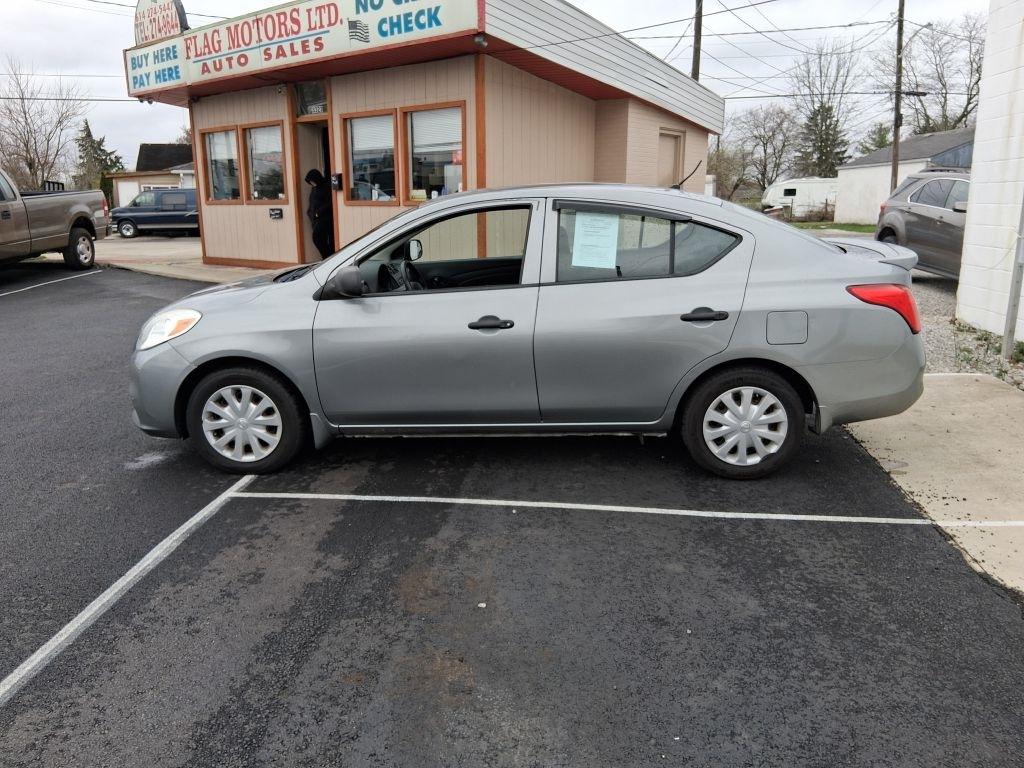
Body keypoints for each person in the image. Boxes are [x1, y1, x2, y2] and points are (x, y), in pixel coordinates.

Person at [305, 169, 335, 260]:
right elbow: (312, 202)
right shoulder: (314, 188)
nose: (311, 183)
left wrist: (319, 213)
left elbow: (330, 202)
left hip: (324, 219)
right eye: (310, 182)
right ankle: (327, 258)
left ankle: (327, 257)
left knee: (317, 238)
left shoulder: (326, 187)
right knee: (320, 239)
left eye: (312, 181)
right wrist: (309, 212)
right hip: (315, 219)